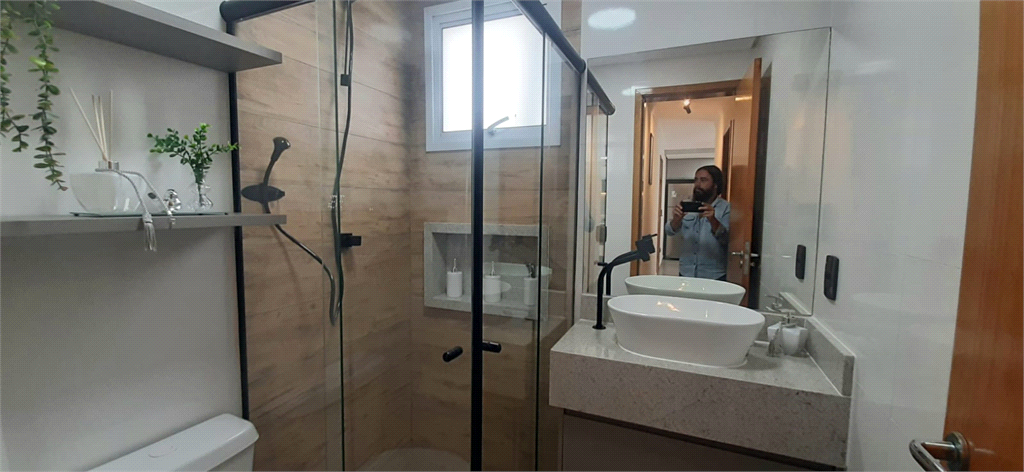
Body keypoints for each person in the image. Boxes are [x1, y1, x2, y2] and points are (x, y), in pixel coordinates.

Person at [665, 165, 730, 280]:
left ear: (715, 185)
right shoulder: (686, 205)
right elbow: (669, 231)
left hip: (713, 275)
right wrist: (676, 220)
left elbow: (727, 240)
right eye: (696, 180)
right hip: (686, 273)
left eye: (703, 180)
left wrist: (713, 220)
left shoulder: (725, 208)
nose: (698, 184)